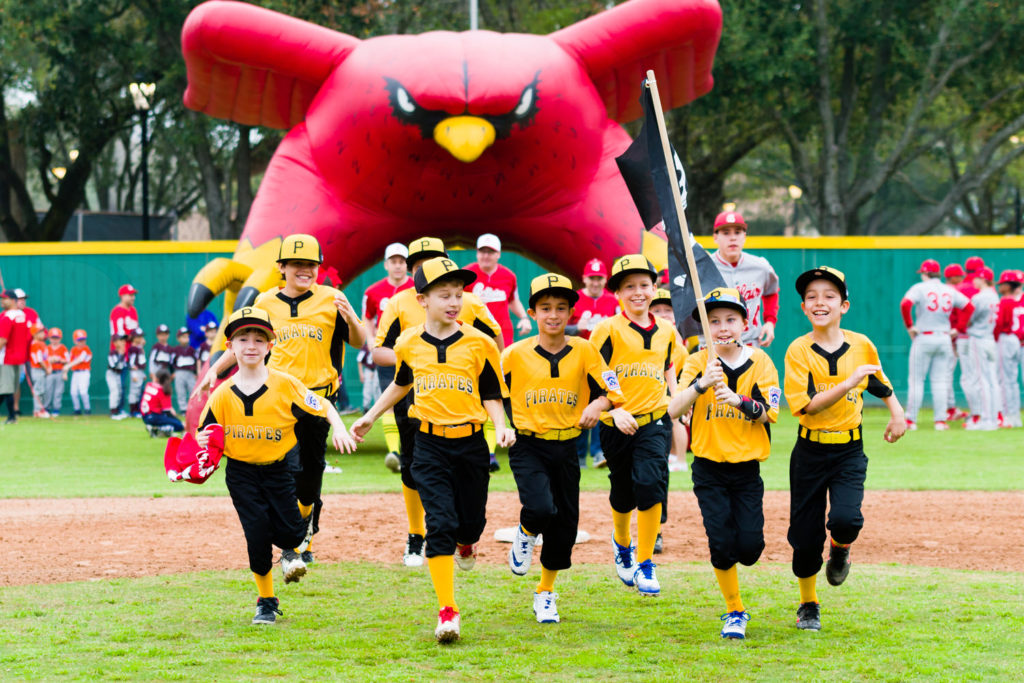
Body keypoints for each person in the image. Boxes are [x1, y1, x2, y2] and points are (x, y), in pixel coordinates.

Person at [353, 256, 513, 643]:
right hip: (428, 443)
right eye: (444, 295)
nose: (454, 302)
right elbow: (401, 384)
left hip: (471, 442)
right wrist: (371, 415)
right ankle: (447, 611)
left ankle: (467, 542)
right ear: (421, 299)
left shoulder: (478, 342)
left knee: (470, 523)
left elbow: (491, 392)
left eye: (458, 294)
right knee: (438, 524)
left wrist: (503, 426)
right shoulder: (407, 341)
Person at [196, 234, 365, 569]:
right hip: (275, 401)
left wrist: (353, 319)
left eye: (311, 265)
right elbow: (242, 343)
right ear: (281, 267)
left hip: (317, 398)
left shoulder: (332, 298)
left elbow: (360, 343)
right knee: (284, 470)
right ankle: (292, 545)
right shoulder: (264, 303)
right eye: (297, 264)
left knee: (309, 479)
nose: (305, 270)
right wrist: (215, 370)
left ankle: (305, 530)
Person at [196, 306, 356, 625]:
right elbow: (204, 435)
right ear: (230, 346)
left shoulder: (285, 384)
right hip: (241, 473)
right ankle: (266, 601)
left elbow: (322, 405)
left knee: (290, 532)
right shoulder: (222, 394)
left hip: (278, 469)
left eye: (259, 338)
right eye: (243, 338)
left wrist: (338, 427)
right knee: (256, 535)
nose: (251, 345)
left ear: (271, 346)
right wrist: (201, 445)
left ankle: (291, 549)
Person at [784, 266, 906, 633]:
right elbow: (806, 406)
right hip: (809, 452)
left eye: (829, 296)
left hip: (849, 451)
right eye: (812, 297)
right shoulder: (799, 350)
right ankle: (808, 603)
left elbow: (879, 381)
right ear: (803, 308)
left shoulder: (861, 343)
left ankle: (840, 549)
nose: (820, 302)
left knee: (847, 520)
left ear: (844, 305)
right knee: (805, 540)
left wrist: (897, 412)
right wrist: (849, 382)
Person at [372, 236, 503, 567]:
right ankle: (418, 535)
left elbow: (495, 338)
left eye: (434, 259)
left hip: (464, 407)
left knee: (468, 504)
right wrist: (421, 357)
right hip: (417, 404)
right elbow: (380, 352)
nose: (424, 266)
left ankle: (463, 537)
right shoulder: (399, 305)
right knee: (414, 469)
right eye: (419, 262)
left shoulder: (469, 304)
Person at [502, 273, 626, 624]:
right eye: (545, 308)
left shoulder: (585, 350)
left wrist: (597, 406)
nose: (553, 315)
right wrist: (501, 426)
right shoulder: (515, 354)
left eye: (561, 308)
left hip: (567, 447)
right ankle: (525, 532)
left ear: (572, 312)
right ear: (532, 312)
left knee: (565, 527)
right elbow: (491, 391)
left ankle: (545, 593)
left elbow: (612, 392)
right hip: (529, 445)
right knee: (540, 507)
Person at [669, 288, 780, 640]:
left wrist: (738, 400)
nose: (722, 328)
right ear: (704, 328)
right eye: (713, 321)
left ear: (745, 323)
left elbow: (770, 414)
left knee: (749, 549)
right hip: (709, 468)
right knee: (720, 543)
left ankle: (738, 585)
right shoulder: (696, 361)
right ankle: (735, 610)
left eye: (730, 319)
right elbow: (673, 410)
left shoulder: (760, 361)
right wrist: (702, 384)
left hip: (747, 469)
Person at [588, 255, 677, 597]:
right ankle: (622, 543)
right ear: (617, 292)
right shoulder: (606, 329)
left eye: (644, 285)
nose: (637, 292)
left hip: (654, 420)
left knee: (650, 484)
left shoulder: (667, 330)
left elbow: (667, 365)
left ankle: (645, 562)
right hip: (616, 423)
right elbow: (592, 378)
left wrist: (676, 398)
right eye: (629, 286)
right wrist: (612, 413)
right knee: (623, 493)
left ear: (655, 288)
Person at [466, 233, 532, 472]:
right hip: (473, 345)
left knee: (501, 394)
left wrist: (523, 317)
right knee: (479, 396)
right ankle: (484, 450)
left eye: (491, 251)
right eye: (482, 251)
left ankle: (499, 447)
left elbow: (512, 299)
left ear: (498, 254)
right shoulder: (468, 274)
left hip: (503, 345)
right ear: (477, 253)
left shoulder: (508, 276)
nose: (486, 255)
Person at [900, 259, 972, 430]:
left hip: (924, 336)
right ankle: (940, 421)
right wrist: (959, 328)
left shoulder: (920, 288)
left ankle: (911, 420)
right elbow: (969, 307)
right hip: (944, 337)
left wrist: (910, 326)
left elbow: (905, 304)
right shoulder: (949, 290)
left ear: (925, 274)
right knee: (940, 381)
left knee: (917, 380)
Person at [362, 242, 414, 471]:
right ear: (386, 265)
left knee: (414, 403)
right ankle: (394, 452)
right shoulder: (373, 291)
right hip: (388, 354)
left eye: (402, 261)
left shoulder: (416, 289)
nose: (398, 266)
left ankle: (411, 450)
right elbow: (367, 318)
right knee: (390, 402)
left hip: (414, 355)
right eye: (393, 261)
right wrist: (371, 341)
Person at [649, 287, 690, 554]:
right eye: (657, 309)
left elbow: (684, 375)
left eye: (668, 309)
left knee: (656, 473)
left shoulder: (678, 345)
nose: (663, 314)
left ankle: (655, 530)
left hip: (661, 414)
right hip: (629, 412)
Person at [568, 258, 620, 468]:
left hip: (603, 363)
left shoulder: (612, 301)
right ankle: (579, 455)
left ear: (605, 279)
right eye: (592, 278)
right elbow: (560, 329)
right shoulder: (576, 299)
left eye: (599, 278)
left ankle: (598, 452)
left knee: (601, 405)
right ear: (584, 278)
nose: (595, 282)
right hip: (578, 361)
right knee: (580, 407)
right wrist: (576, 328)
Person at [709, 211, 780, 348]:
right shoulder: (703, 268)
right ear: (715, 237)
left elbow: (771, 291)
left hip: (750, 344)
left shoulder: (760, 267)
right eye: (726, 233)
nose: (733, 238)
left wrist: (770, 321)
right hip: (713, 346)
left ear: (744, 236)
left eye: (737, 232)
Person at [955, 267, 1001, 430]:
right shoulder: (995, 296)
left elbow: (968, 319)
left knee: (982, 381)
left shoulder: (980, 297)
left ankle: (987, 420)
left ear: (982, 279)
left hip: (978, 339)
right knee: (992, 381)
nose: (973, 280)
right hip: (990, 338)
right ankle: (994, 418)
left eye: (976, 278)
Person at [995, 269, 1023, 428]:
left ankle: (1012, 416)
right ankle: (1012, 416)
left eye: (1003, 284)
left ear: (1009, 284)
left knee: (1008, 381)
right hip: (1019, 340)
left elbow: (1000, 324)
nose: (1001, 287)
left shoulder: (1006, 301)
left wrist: (995, 338)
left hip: (1009, 339)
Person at [942, 264, 970, 422]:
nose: (962, 277)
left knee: (946, 374)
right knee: (945, 374)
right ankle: (948, 409)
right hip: (949, 335)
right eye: (960, 275)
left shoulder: (945, 291)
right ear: (953, 277)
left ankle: (950, 408)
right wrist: (957, 330)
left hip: (946, 334)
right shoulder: (953, 292)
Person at [0, 289, 32, 424]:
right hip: (20, 357)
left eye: (5, 299)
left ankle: (12, 417)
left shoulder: (7, 317)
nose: (2, 301)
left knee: (6, 389)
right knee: (10, 388)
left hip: (7, 357)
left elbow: (3, 339)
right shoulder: (23, 316)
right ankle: (12, 416)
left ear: (13, 300)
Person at [110, 283, 139, 414]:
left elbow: (136, 333)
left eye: (133, 295)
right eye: (130, 295)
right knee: (120, 384)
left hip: (132, 352)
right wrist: (121, 351)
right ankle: (118, 409)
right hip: (120, 353)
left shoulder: (133, 310)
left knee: (135, 382)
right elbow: (118, 336)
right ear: (122, 296)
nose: (133, 297)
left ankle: (134, 410)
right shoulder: (117, 311)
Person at [12, 288, 40, 414]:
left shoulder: (31, 313)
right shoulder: (8, 315)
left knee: (35, 381)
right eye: (20, 299)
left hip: (31, 355)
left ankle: (38, 409)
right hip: (14, 355)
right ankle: (15, 408)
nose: (23, 302)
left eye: (24, 299)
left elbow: (41, 330)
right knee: (14, 383)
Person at [141, 369, 184, 436]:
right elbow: (167, 412)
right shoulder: (163, 390)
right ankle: (158, 429)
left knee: (169, 419)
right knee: (179, 425)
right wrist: (179, 422)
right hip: (154, 416)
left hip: (145, 416)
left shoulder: (149, 385)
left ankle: (156, 428)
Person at [172, 327, 199, 413]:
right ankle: (183, 409)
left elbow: (195, 361)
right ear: (178, 338)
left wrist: (195, 373)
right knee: (181, 391)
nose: (186, 339)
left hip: (190, 373)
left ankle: (193, 408)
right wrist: (172, 372)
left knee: (193, 390)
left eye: (187, 337)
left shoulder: (192, 350)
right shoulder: (176, 350)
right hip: (179, 372)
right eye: (183, 337)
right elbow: (172, 362)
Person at [27, 323, 51, 418]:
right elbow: (39, 360)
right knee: (38, 390)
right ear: (34, 334)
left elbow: (45, 358)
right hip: (38, 369)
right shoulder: (36, 344)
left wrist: (49, 367)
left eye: (43, 332)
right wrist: (47, 369)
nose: (43, 334)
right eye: (40, 332)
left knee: (42, 390)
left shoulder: (42, 343)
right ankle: (37, 411)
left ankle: (41, 409)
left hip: (42, 370)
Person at [44, 327, 69, 417]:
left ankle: (56, 409)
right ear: (49, 338)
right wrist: (50, 360)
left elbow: (67, 360)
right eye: (53, 338)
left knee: (58, 392)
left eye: (57, 338)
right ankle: (46, 408)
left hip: (59, 372)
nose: (55, 340)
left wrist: (59, 359)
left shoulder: (63, 348)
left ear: (60, 338)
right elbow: (43, 359)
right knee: (48, 391)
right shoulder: (47, 348)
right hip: (50, 372)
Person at [67, 329, 93, 416]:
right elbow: (70, 361)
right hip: (76, 373)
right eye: (79, 340)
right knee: (73, 392)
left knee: (83, 391)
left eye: (83, 340)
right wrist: (66, 369)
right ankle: (77, 409)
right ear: (75, 341)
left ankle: (87, 409)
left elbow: (79, 360)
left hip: (84, 373)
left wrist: (66, 367)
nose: (81, 342)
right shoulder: (73, 350)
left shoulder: (86, 349)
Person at [106, 336, 129, 420]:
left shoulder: (122, 353)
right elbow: (113, 365)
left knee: (119, 392)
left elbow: (123, 366)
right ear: (115, 343)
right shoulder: (112, 353)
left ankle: (117, 411)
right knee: (114, 391)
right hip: (111, 374)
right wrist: (121, 355)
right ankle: (113, 412)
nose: (123, 342)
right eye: (120, 340)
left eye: (123, 341)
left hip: (118, 374)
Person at [127, 331, 148, 416]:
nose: (140, 339)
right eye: (138, 337)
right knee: (134, 391)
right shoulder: (133, 348)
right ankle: (133, 411)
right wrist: (132, 370)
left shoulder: (139, 348)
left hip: (140, 371)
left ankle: (138, 410)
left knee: (139, 391)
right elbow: (131, 360)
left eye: (141, 337)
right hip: (135, 371)